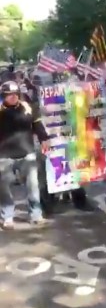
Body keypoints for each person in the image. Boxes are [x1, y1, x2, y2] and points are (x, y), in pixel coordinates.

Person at [0, 81, 50, 229]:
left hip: (27, 152)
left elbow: (38, 125)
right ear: (3, 96)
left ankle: (36, 214)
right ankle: (7, 216)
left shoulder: (27, 107)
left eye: (16, 94)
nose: (13, 97)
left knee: (33, 186)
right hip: (4, 155)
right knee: (4, 188)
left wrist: (44, 139)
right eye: (9, 95)